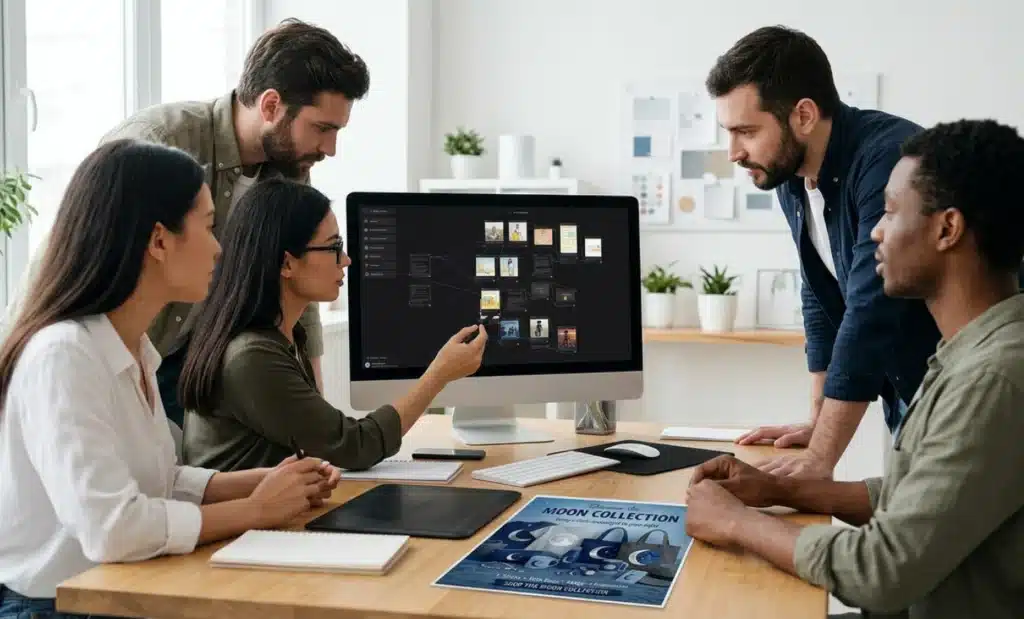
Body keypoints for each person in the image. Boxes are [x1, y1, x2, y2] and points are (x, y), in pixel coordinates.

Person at [684, 119, 1024, 618]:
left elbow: (882, 570)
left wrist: (738, 522)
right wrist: (780, 489)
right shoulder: (971, 350)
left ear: (947, 229)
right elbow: (924, 497)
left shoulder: (992, 379)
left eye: (888, 212)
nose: (875, 232)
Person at [0, 140, 339, 619]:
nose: (220, 247)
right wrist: (256, 511)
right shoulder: (63, 357)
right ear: (159, 241)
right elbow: (113, 527)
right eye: (207, 225)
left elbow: (156, 482)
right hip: (58, 606)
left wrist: (256, 484)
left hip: (120, 592)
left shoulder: (133, 348)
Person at [1, 17, 371, 429]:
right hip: (100, 354)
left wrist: (314, 408)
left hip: (181, 360)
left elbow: (298, 277)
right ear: (270, 106)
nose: (331, 149)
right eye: (322, 128)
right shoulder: (159, 142)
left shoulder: (289, 166)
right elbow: (82, 263)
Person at [704, 25, 941, 479]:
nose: (733, 152)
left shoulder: (890, 158)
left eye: (746, 131)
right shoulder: (789, 174)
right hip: (908, 394)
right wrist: (817, 425)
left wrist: (821, 459)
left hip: (966, 395)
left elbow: (872, 309)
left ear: (805, 116)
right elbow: (820, 294)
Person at [178, 179, 488, 472]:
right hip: (247, 527)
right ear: (286, 263)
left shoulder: (284, 336)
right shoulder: (251, 357)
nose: (346, 260)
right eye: (333, 247)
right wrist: (438, 374)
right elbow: (357, 445)